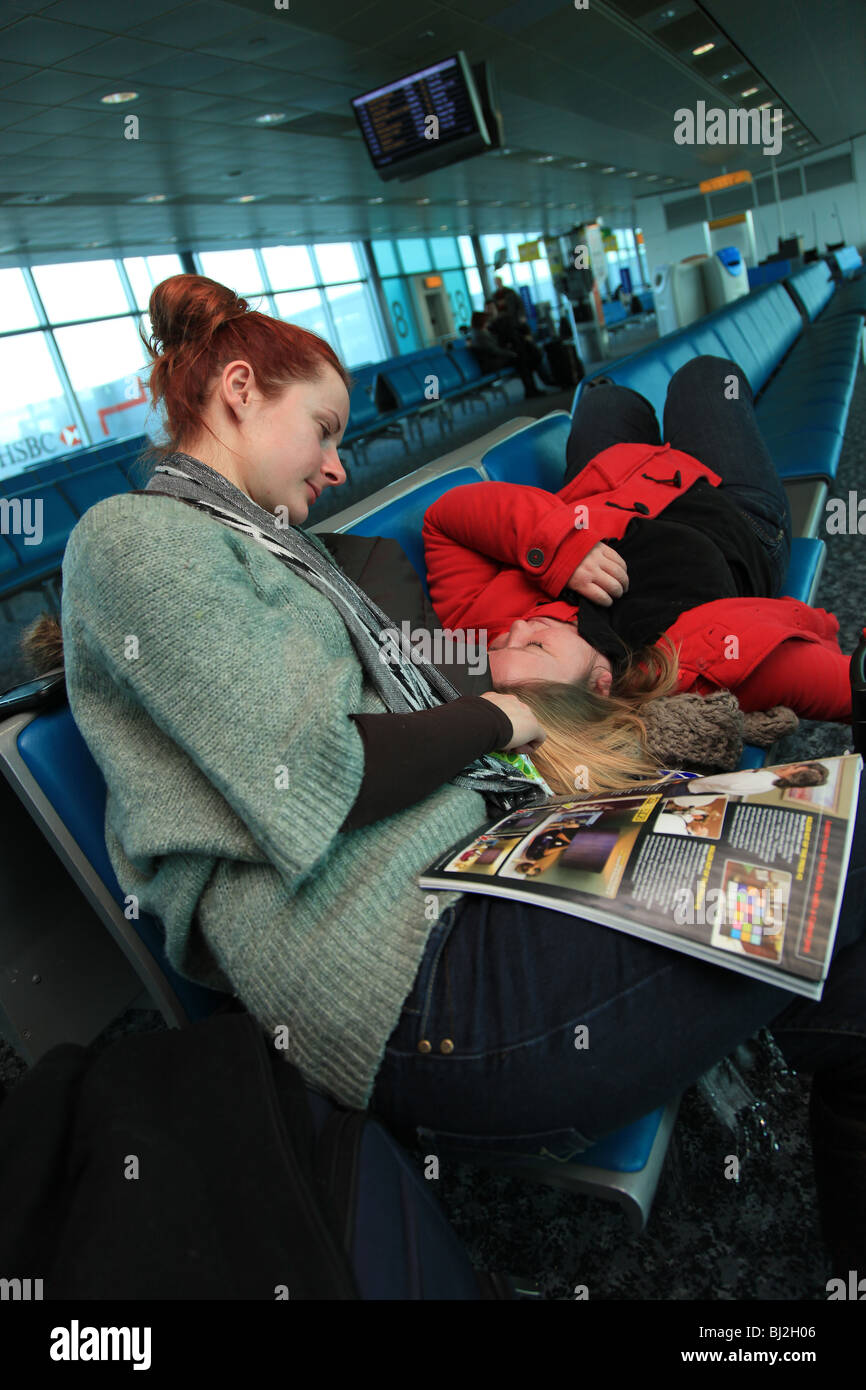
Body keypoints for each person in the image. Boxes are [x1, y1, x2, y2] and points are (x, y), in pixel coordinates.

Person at [22, 279, 866, 1278]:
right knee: (839, 860)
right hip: (424, 978)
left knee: (836, 897)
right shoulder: (135, 539)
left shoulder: (264, 548)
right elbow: (319, 772)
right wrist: (517, 709)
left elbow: (386, 700)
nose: (339, 464)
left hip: (487, 877)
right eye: (324, 429)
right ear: (240, 390)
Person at [422, 358, 855, 798]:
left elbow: (446, 518)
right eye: (534, 645)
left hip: (606, 486)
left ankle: (622, 403)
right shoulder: (690, 663)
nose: (514, 629)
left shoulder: (474, 630)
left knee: (604, 397)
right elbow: (845, 684)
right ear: (600, 684)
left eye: (499, 646)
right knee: (705, 376)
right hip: (737, 516)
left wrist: (562, 549)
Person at [685, 763, 829, 796]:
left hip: (692, 787)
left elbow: (725, 783)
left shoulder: (764, 779)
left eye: (794, 768)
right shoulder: (768, 783)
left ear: (794, 777)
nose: (790, 766)